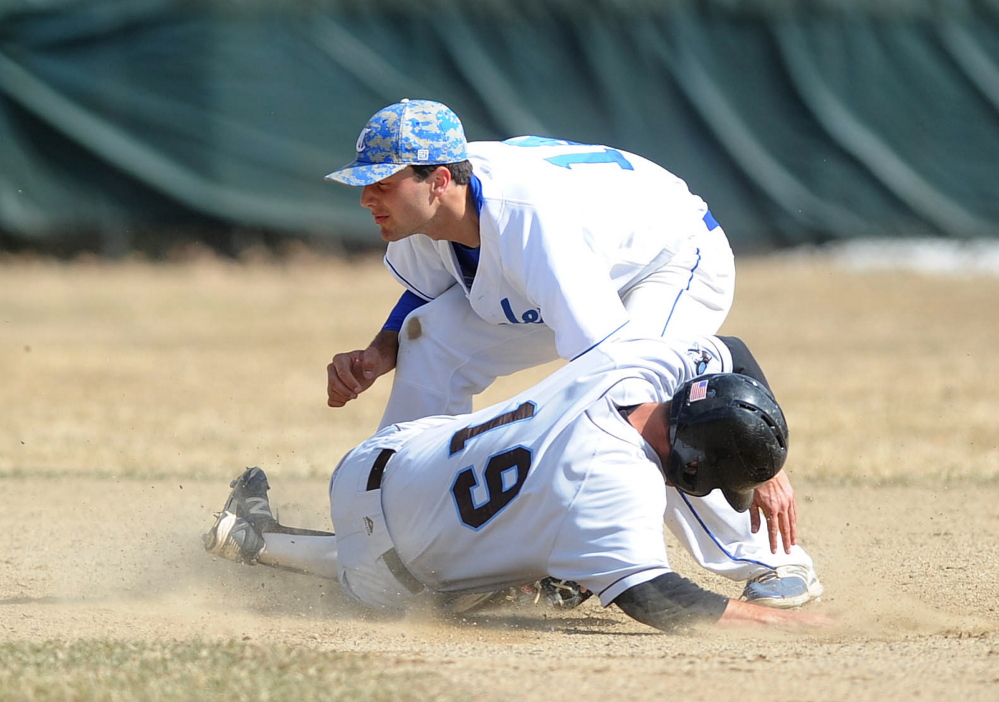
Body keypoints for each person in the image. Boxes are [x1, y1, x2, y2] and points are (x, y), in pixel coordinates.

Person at [321, 99, 820, 607]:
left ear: (440, 179)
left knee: (642, 401)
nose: (366, 197)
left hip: (668, 260)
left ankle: (771, 558)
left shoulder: (530, 221)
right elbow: (422, 297)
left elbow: (613, 386)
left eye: (382, 182)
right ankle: (391, 522)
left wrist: (763, 465)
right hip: (580, 261)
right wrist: (380, 352)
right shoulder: (429, 209)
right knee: (430, 339)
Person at [204, 335, 829, 630]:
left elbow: (732, 350)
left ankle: (251, 535)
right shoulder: (612, 484)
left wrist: (767, 465)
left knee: (518, 540)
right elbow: (658, 599)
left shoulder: (634, 368)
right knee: (429, 578)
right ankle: (261, 544)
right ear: (694, 463)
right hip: (390, 577)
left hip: (386, 454)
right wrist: (780, 624)